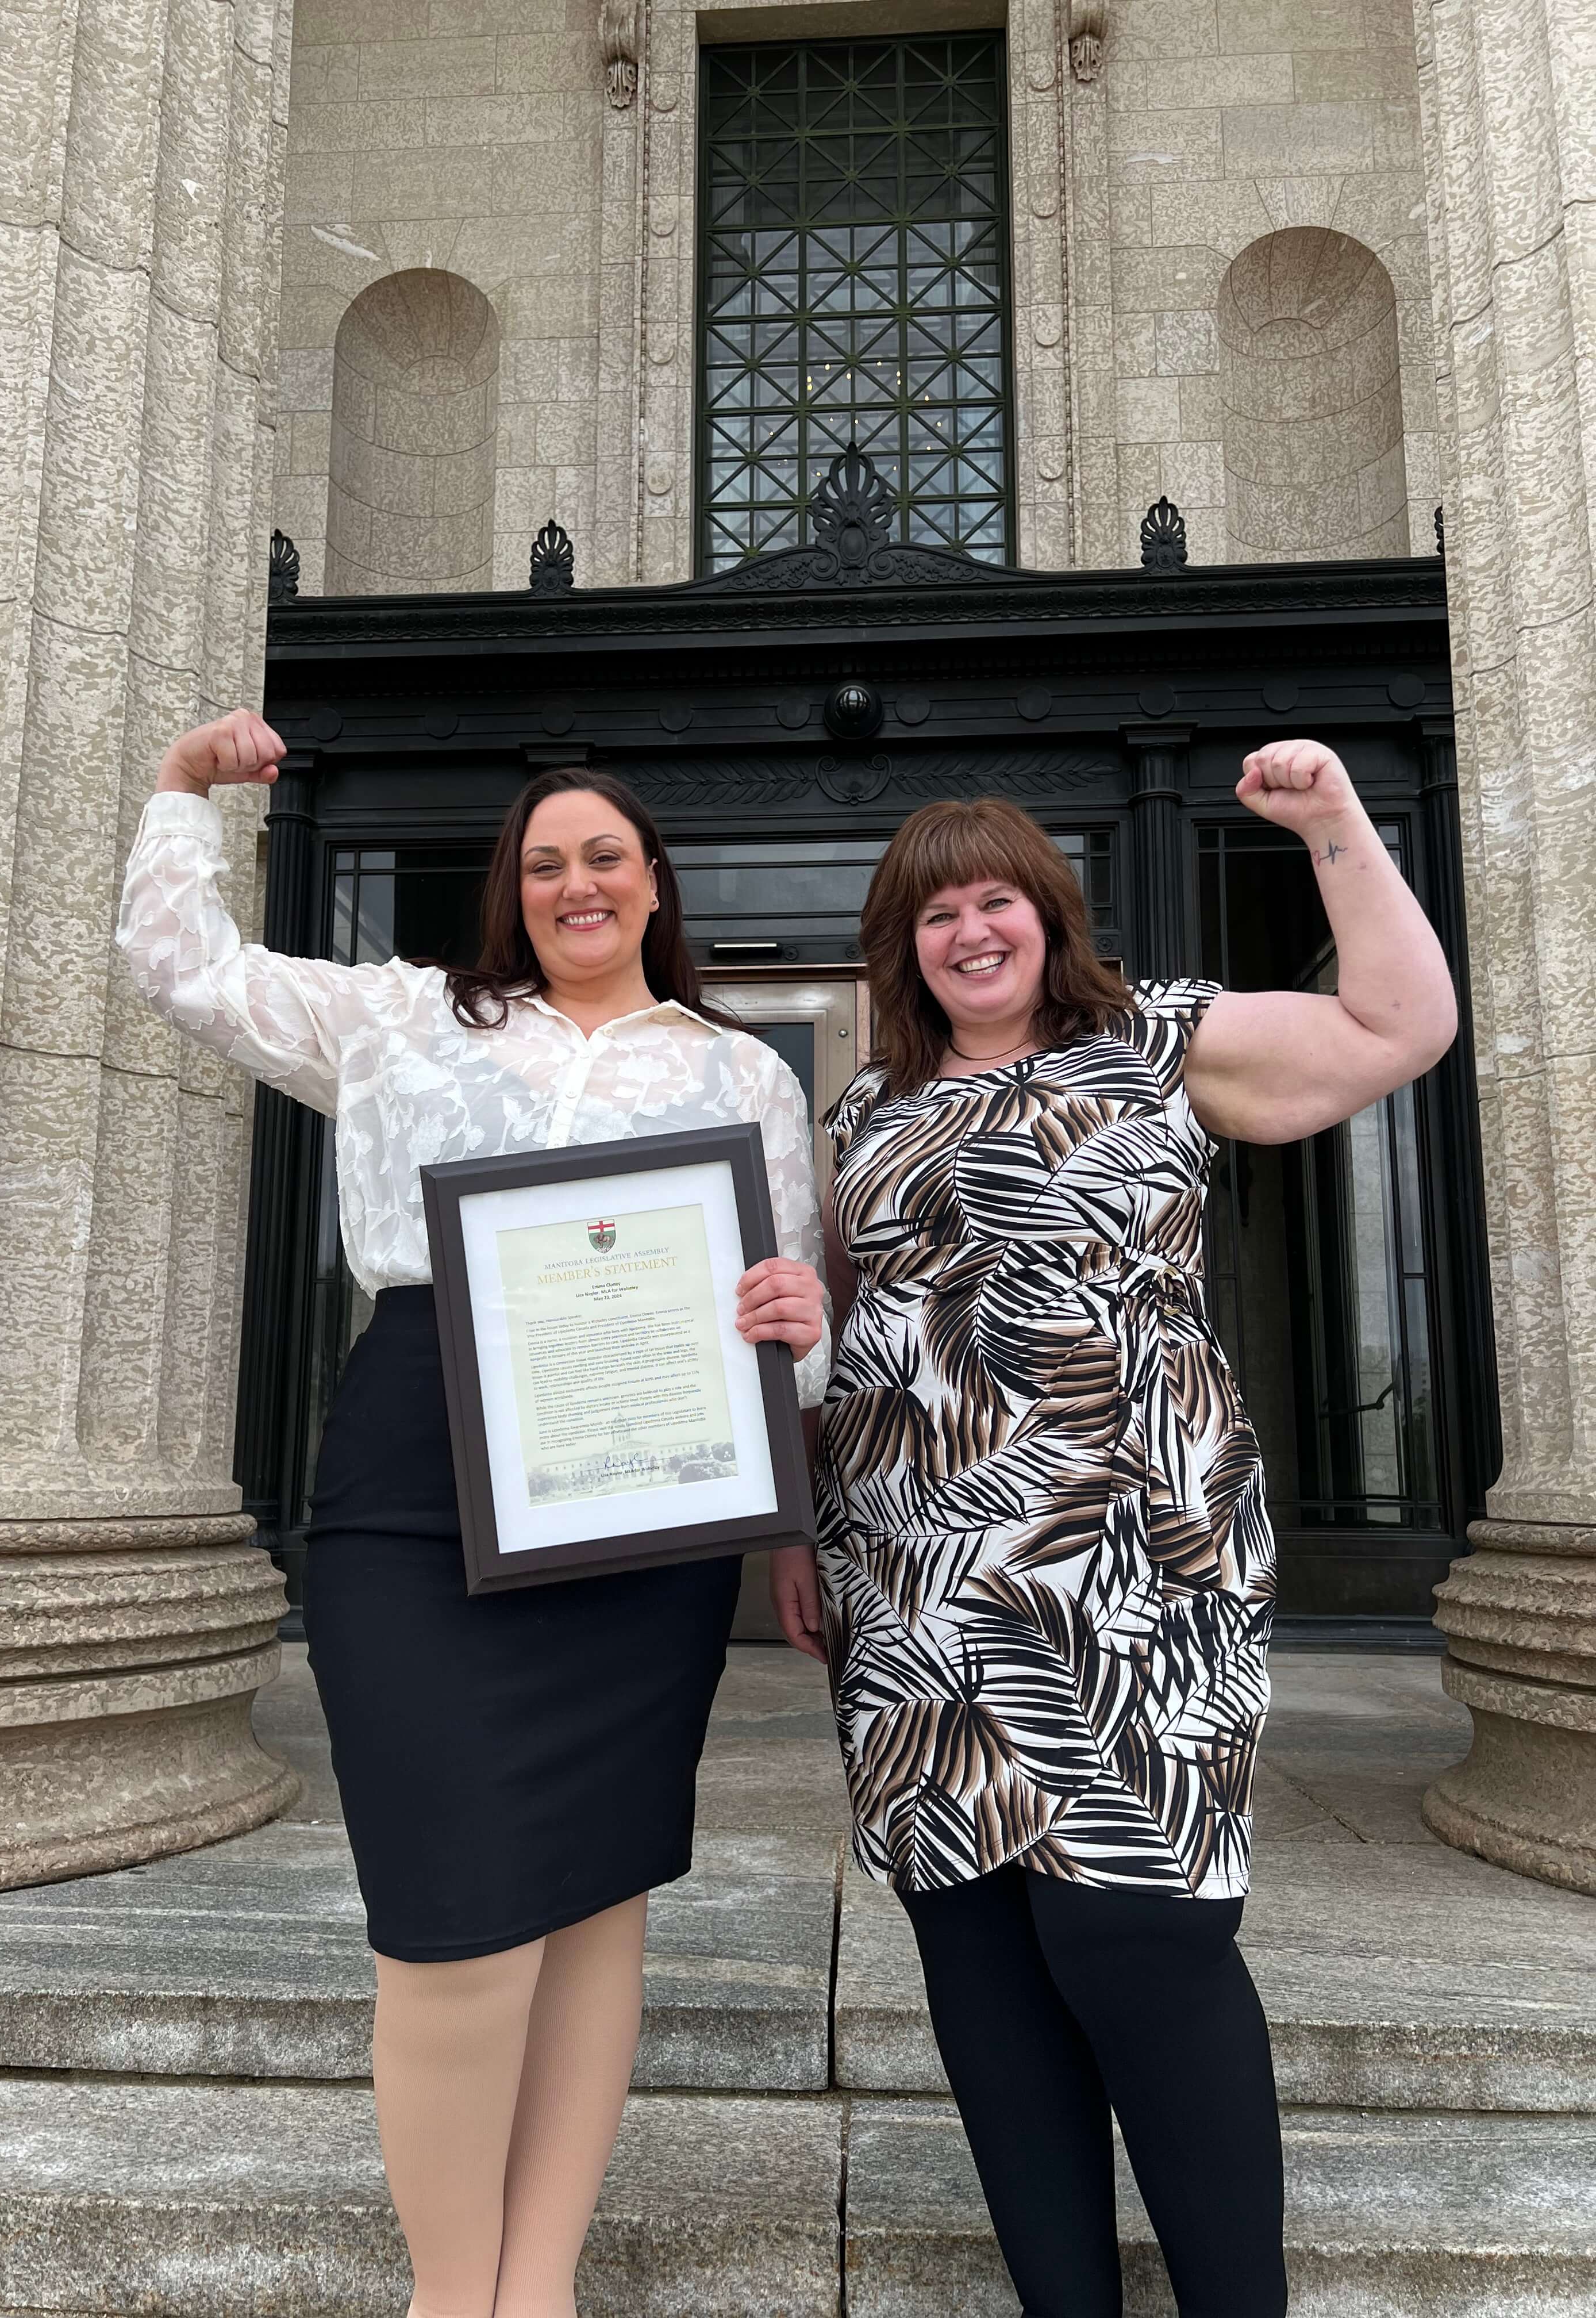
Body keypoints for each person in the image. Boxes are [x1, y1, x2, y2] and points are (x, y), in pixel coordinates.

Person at [116, 710, 828, 2318]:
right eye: (545, 862)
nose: (577, 883)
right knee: (447, 1921)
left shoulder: (740, 1076)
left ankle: (542, 2288)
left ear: (655, 886)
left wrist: (800, 1344)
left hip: (646, 1500)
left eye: (607, 858)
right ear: (513, 890)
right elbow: (182, 966)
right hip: (415, 1476)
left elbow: (794, 1316)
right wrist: (179, 795)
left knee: (593, 1896)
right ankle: (455, 2298)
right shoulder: (398, 1018)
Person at [770, 740, 1457, 2318]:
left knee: (1139, 1948)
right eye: (933, 914)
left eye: (994, 897)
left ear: (1045, 912)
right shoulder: (866, 1110)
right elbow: (845, 1333)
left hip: (1131, 1576)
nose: (969, 932)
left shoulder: (1159, 1041)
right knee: (985, 1977)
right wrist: (794, 1532)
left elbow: (1401, 1023)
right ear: (905, 948)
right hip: (920, 1588)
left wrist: (1336, 824)